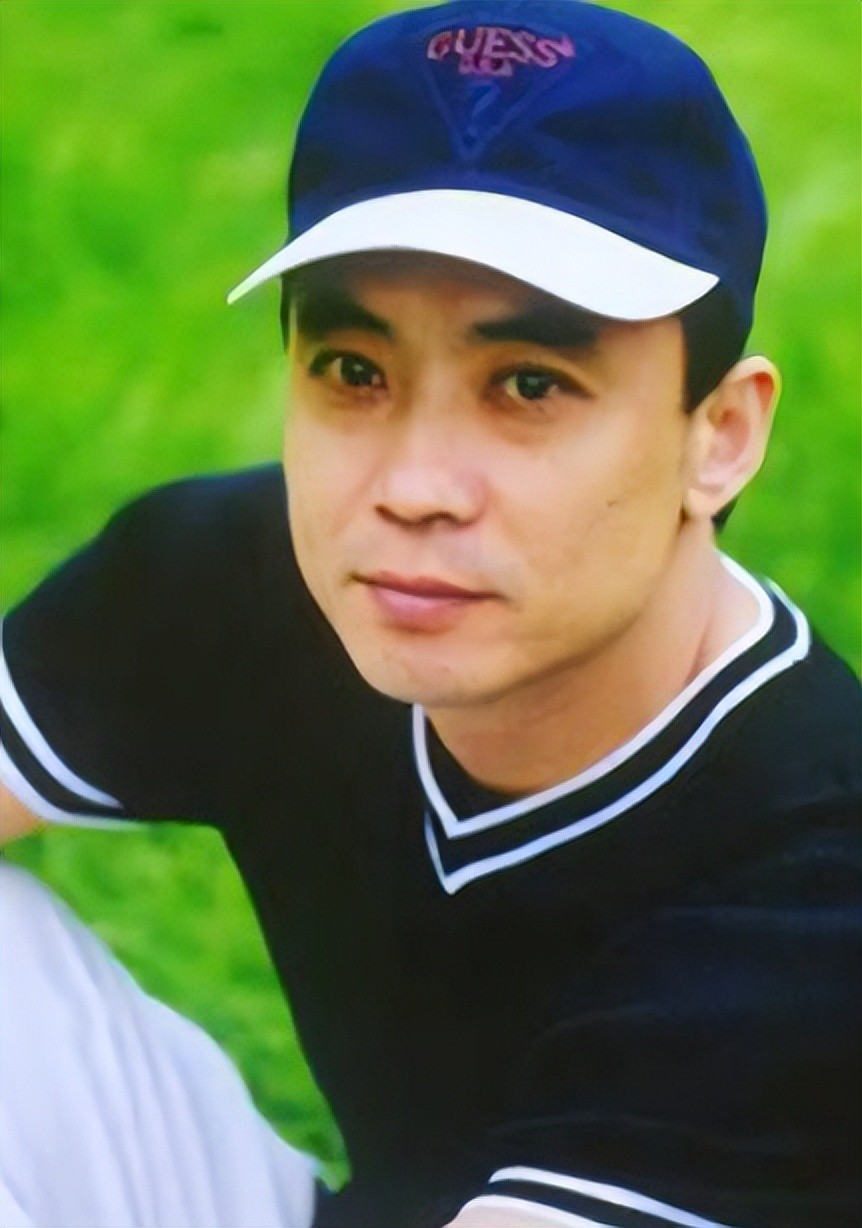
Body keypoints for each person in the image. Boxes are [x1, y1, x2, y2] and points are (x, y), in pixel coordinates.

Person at [1, 1, 859, 1226]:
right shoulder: (241, 577)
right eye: (355, 372)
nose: (411, 487)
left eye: (528, 385)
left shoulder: (816, 891)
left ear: (718, 434)